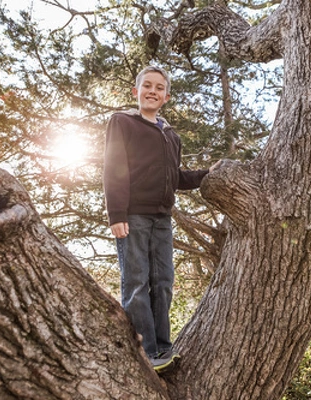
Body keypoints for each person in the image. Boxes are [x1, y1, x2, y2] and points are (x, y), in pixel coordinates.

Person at [103, 66, 217, 373]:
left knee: (163, 282)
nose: (152, 91)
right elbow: (114, 166)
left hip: (162, 219)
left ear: (166, 97)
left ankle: (164, 348)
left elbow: (175, 177)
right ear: (136, 91)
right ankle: (148, 352)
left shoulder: (171, 136)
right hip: (133, 216)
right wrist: (116, 213)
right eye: (147, 86)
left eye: (159, 88)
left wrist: (209, 174)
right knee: (137, 283)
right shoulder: (123, 122)